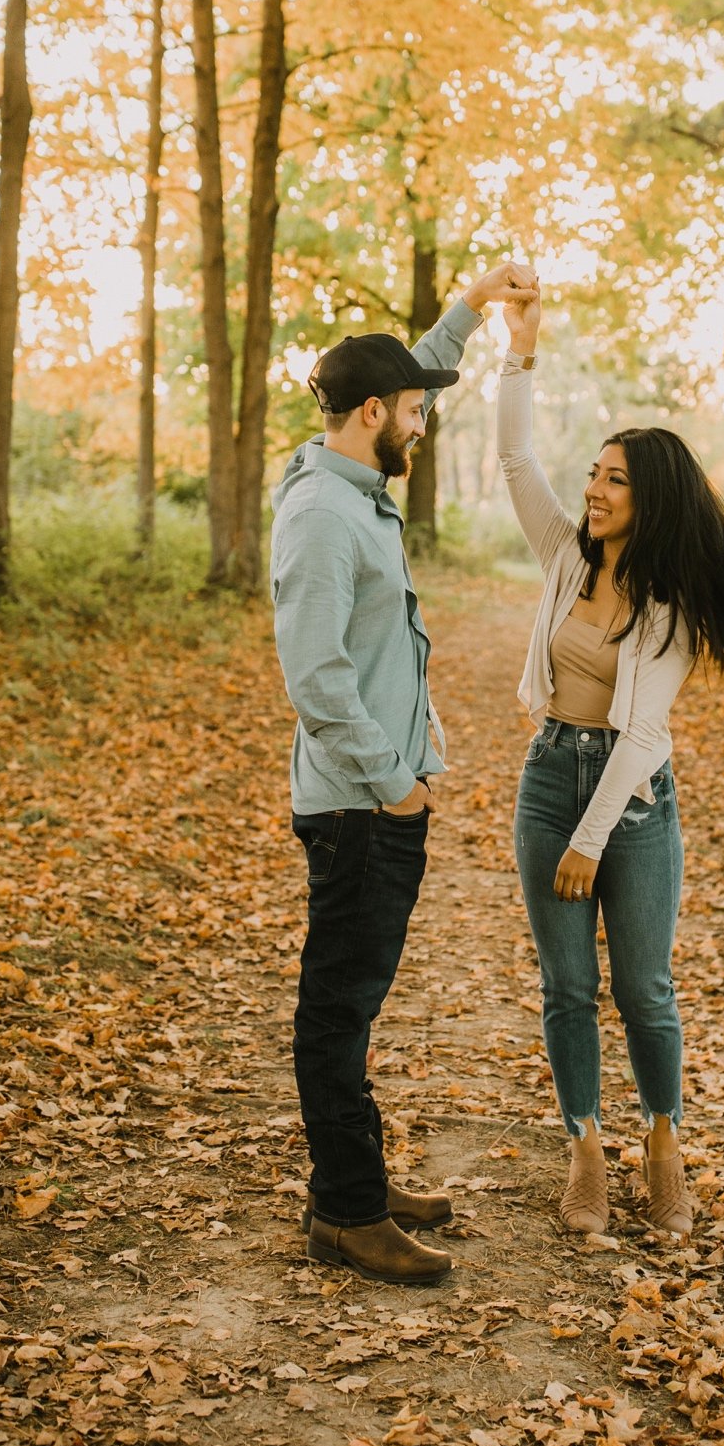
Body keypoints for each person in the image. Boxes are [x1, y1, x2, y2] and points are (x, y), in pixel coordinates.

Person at [497, 286, 724, 1238]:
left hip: (634, 806)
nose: (595, 489)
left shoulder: (673, 606)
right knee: (566, 987)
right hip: (547, 779)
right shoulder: (566, 558)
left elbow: (644, 735)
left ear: (650, 499)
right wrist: (518, 353)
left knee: (643, 989)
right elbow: (515, 457)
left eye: (616, 480)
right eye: (595, 473)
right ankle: (584, 1154)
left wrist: (590, 841)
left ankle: (663, 1144)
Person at [271, 262, 537, 1286]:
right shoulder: (324, 518)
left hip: (375, 798)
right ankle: (344, 1212)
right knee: (336, 1007)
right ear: (372, 413)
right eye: (415, 414)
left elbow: (415, 370)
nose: (424, 426)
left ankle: (359, 1176)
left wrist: (471, 304)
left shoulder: (350, 472)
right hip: (357, 805)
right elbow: (317, 677)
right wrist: (393, 779)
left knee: (357, 1001)